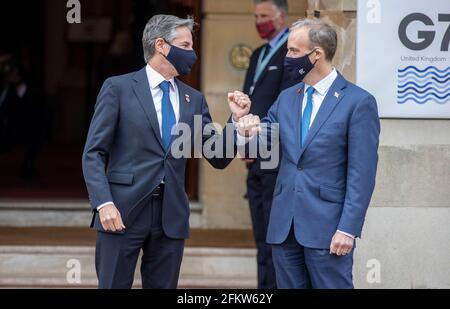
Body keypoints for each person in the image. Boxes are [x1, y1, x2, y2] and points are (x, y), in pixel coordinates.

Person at [82, 15, 250, 289]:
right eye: (185, 45)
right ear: (161, 45)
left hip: (170, 215)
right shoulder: (118, 88)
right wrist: (103, 203)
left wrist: (236, 123)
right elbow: (93, 153)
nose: (192, 53)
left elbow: (218, 156)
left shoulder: (193, 99)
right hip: (121, 210)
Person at [234, 18, 380, 289]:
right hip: (283, 228)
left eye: (292, 51)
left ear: (316, 55)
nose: (286, 57)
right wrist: (242, 127)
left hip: (328, 229)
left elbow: (362, 174)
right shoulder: (287, 98)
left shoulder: (358, 103)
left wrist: (347, 229)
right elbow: (259, 147)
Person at [242, 0, 296, 289]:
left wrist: (259, 142)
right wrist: (242, 140)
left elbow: (284, 108)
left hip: (276, 161)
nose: (259, 21)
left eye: (264, 16)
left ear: (281, 16)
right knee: (261, 239)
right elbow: (248, 103)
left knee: (276, 240)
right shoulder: (258, 53)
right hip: (255, 161)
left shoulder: (292, 51)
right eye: (256, 16)